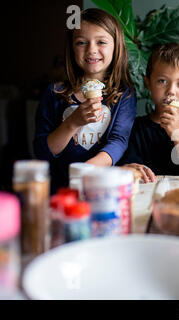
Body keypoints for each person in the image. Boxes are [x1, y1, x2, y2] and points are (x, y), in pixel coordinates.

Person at [34, 8, 137, 193]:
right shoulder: (54, 93)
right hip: (61, 191)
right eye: (81, 42)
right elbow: (42, 151)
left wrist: (85, 173)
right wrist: (73, 122)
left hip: (104, 188)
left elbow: (118, 141)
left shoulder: (124, 94)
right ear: (72, 48)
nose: (91, 50)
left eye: (101, 42)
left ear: (116, 46)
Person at [117, 43, 179, 183]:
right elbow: (131, 170)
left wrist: (177, 132)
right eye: (162, 81)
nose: (171, 91)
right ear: (148, 83)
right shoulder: (137, 127)